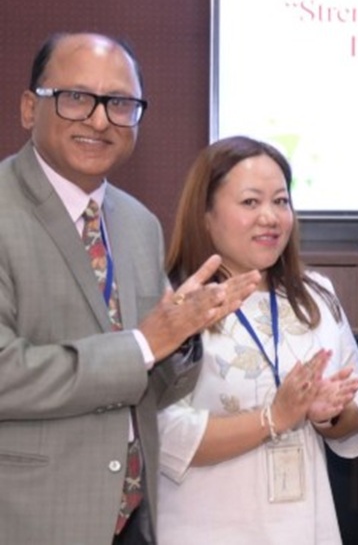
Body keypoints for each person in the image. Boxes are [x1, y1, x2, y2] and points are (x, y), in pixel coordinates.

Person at [0, 32, 260, 545]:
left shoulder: (138, 223)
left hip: (132, 520)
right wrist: (144, 343)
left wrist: (183, 338)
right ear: (30, 108)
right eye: (77, 97)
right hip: (30, 519)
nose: (100, 121)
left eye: (120, 104)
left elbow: (150, 385)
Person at [155, 136, 358, 544]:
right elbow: (163, 432)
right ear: (205, 215)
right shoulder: (174, 304)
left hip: (305, 528)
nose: (270, 217)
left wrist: (328, 415)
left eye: (280, 201)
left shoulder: (315, 294)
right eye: (250, 202)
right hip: (204, 528)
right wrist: (274, 418)